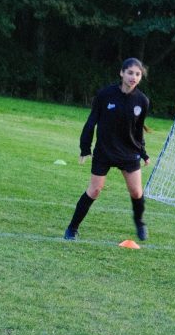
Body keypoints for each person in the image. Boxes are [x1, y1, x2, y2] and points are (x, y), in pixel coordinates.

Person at [64, 58, 151, 242]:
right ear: (122, 73)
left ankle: (139, 223)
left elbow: (138, 130)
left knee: (136, 192)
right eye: (130, 73)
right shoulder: (105, 95)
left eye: (137, 74)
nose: (133, 77)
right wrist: (85, 148)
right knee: (94, 190)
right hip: (105, 151)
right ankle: (72, 228)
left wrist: (143, 152)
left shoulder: (142, 101)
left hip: (128, 152)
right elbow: (91, 122)